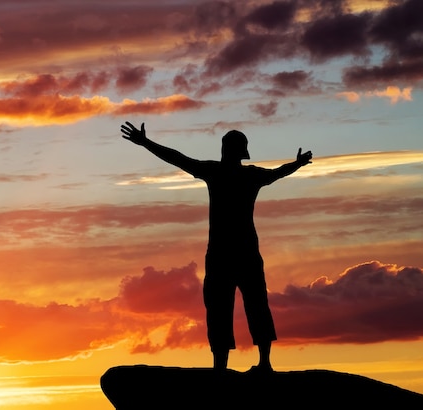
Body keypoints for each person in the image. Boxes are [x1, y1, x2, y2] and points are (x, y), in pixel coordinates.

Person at [120, 121, 312, 373]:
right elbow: (278, 172)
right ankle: (246, 364)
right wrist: (296, 164)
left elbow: (179, 158)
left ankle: (241, 364)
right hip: (238, 253)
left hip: (228, 254)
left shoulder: (221, 173)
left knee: (237, 305)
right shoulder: (245, 175)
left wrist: (145, 143)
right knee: (239, 305)